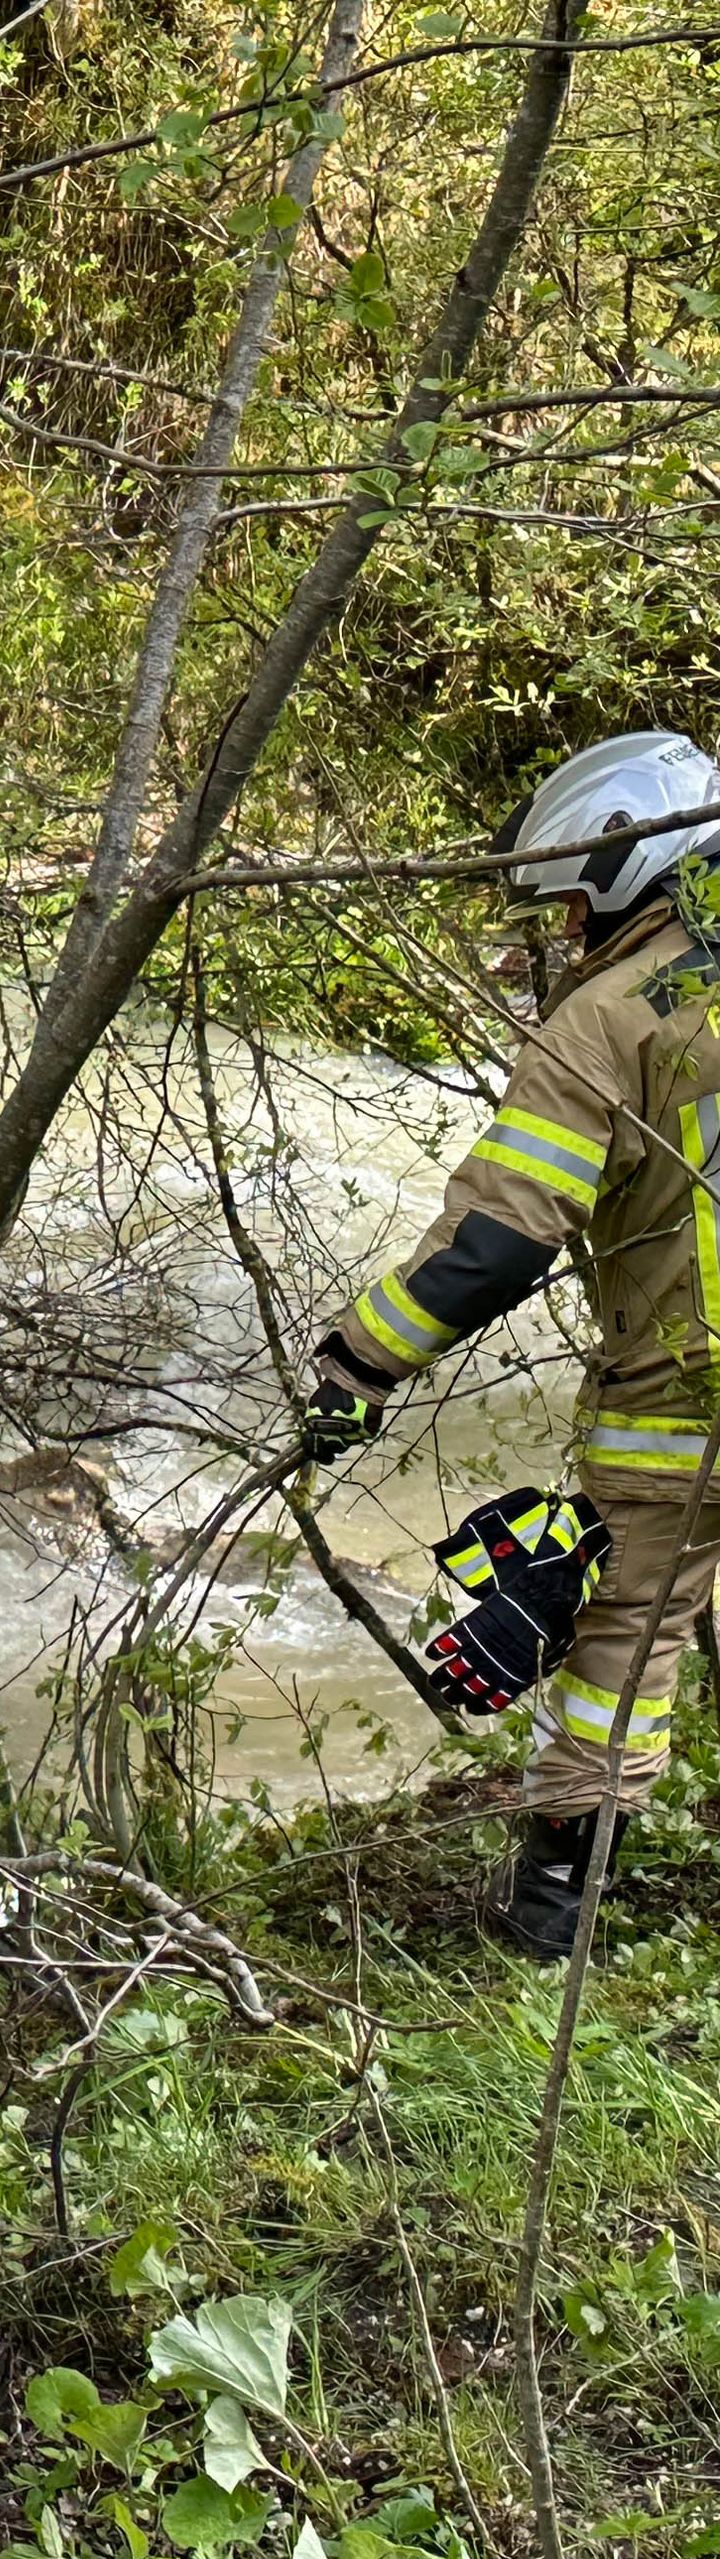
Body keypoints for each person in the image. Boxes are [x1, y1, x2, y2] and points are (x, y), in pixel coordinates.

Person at [299, 729, 720, 1956]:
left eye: (577, 909)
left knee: (620, 1645)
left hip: (682, 1397)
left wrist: (358, 1363)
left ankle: (553, 1922)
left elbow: (494, 1244)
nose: (571, 937)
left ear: (630, 880)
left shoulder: (603, 1021)